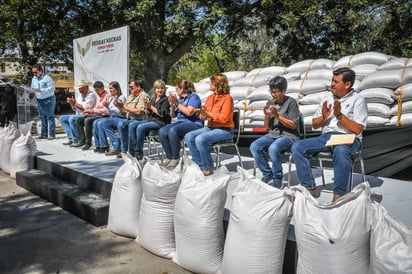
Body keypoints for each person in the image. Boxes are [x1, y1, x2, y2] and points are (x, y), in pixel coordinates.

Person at [291, 67, 368, 202]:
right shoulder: (327, 98)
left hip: (348, 138)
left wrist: (339, 115)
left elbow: (357, 129)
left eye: (336, 82)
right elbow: (315, 124)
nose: (332, 84)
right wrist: (324, 117)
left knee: (341, 150)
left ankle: (338, 195)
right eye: (332, 80)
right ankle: (309, 188)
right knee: (297, 146)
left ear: (347, 84)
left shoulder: (358, 100)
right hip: (327, 137)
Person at [249, 76, 300, 188]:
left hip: (289, 135)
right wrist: (267, 116)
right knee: (254, 146)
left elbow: (293, 125)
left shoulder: (291, 102)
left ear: (284, 91)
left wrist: (277, 115)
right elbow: (267, 127)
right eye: (272, 92)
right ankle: (267, 174)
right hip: (273, 134)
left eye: (276, 92)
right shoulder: (270, 102)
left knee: (273, 148)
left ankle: (278, 177)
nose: (273, 95)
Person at [184, 73, 234, 176]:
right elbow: (203, 117)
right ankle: (199, 165)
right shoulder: (210, 98)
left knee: (200, 139)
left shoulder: (227, 98)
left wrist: (208, 113)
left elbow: (224, 119)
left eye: (212, 82)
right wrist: (201, 113)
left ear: (218, 84)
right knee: (188, 137)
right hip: (211, 127)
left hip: (225, 130)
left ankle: (208, 167)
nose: (210, 84)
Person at [159, 80, 202, 169]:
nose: (176, 90)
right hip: (180, 123)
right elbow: (173, 116)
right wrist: (172, 106)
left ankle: (175, 158)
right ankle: (169, 157)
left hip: (193, 123)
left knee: (173, 130)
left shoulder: (194, 97)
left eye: (177, 88)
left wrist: (177, 103)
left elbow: (189, 112)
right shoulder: (180, 100)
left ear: (182, 89)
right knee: (162, 131)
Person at [101, 79, 150, 157]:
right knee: (105, 122)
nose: (130, 89)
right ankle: (118, 147)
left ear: (138, 87)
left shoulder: (144, 96)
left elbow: (138, 112)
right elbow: (124, 111)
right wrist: (119, 106)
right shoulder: (131, 96)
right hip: (129, 118)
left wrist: (122, 106)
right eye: (129, 87)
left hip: (139, 120)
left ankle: (126, 150)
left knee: (122, 124)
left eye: (131, 87)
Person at [128, 79, 171, 160]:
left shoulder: (165, 100)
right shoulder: (153, 99)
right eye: (158, 88)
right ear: (155, 89)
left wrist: (151, 106)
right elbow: (149, 114)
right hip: (152, 120)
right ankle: (132, 150)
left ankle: (138, 152)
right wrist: (147, 108)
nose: (160, 90)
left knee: (141, 127)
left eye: (162, 88)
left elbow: (161, 114)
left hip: (160, 122)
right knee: (132, 124)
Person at [73, 81, 110, 150]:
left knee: (88, 120)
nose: (97, 92)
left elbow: (106, 110)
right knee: (79, 120)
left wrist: (92, 111)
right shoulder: (99, 97)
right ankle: (82, 140)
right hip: (97, 114)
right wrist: (90, 111)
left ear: (102, 88)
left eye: (98, 90)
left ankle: (88, 143)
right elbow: (96, 107)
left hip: (104, 115)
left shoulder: (107, 96)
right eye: (96, 90)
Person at [59, 80, 97, 146]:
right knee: (62, 118)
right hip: (79, 114)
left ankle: (77, 139)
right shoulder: (80, 95)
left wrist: (74, 103)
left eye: (82, 88)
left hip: (87, 115)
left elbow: (85, 108)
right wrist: (71, 104)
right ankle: (71, 138)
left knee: (72, 118)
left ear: (87, 87)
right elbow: (74, 109)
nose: (80, 90)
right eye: (79, 88)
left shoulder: (91, 95)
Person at [93, 81, 126, 153]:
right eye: (109, 88)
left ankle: (115, 146)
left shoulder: (121, 97)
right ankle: (100, 145)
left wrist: (110, 107)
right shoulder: (111, 98)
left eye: (111, 88)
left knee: (102, 122)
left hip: (119, 117)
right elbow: (110, 111)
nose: (110, 90)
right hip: (112, 117)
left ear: (116, 89)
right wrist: (107, 106)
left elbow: (120, 111)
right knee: (96, 122)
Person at [31, 64, 56, 139]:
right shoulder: (34, 78)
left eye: (36, 72)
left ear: (41, 71)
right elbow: (32, 87)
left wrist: (41, 90)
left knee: (50, 117)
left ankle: (52, 134)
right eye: (33, 72)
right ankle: (44, 134)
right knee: (42, 117)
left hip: (49, 99)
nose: (34, 74)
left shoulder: (47, 78)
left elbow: (52, 89)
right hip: (39, 100)